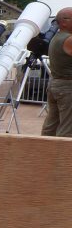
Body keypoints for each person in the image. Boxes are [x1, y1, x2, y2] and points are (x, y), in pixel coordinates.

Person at [41, 7, 72, 137]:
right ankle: (63, 156)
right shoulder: (69, 39)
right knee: (67, 128)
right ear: (63, 22)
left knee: (51, 125)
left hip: (55, 84)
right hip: (67, 87)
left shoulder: (57, 37)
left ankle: (44, 152)